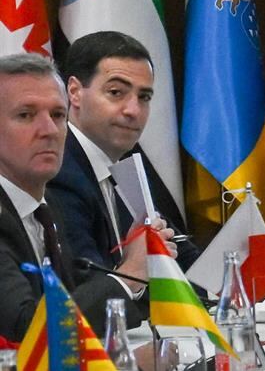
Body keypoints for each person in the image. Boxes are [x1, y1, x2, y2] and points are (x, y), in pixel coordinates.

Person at [0, 54, 153, 353]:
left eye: (58, 115)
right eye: (26, 115)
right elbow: (30, 333)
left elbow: (73, 302)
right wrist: (132, 273)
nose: (49, 130)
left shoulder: (47, 208)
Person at [48, 31, 200, 273]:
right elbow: (87, 288)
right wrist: (136, 269)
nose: (133, 110)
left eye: (144, 97)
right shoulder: (58, 173)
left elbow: (186, 263)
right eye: (116, 92)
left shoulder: (126, 170)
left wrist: (243, 275)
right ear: (75, 92)